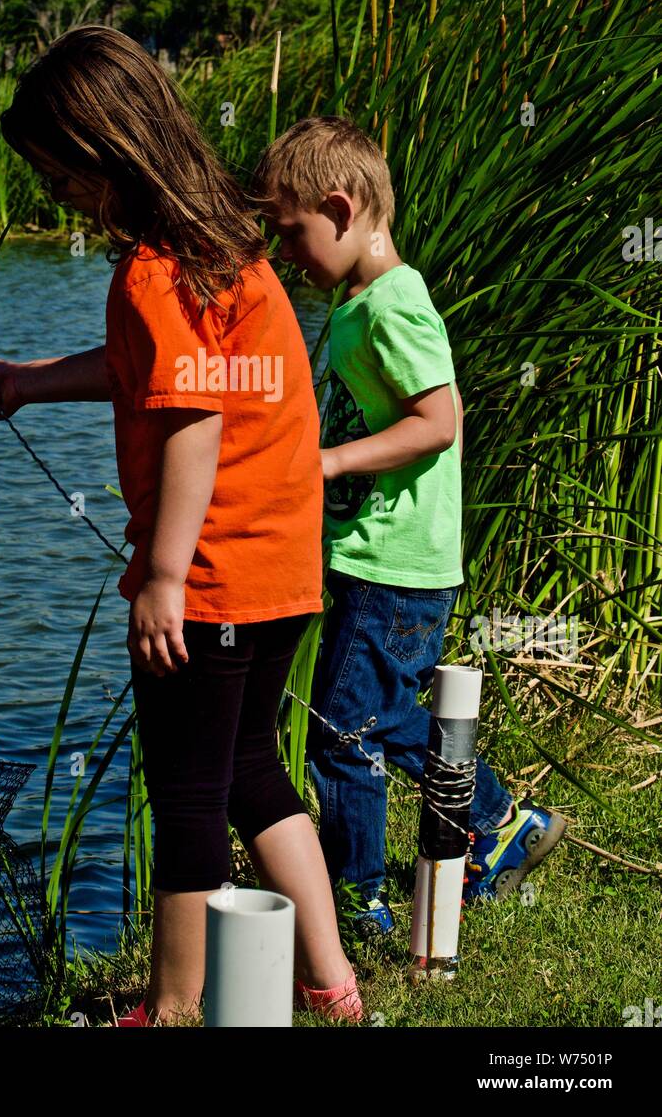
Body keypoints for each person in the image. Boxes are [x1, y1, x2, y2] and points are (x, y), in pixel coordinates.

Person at [0, 27, 362, 1024]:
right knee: (252, 773)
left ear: (104, 152)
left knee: (182, 794)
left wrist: (164, 578)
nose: (55, 191)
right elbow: (158, 374)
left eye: (58, 171)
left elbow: (188, 415)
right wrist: (34, 383)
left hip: (214, 575)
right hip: (281, 568)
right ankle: (332, 984)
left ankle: (172, 1008)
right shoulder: (228, 247)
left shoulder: (152, 268)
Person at [251, 115, 565, 938]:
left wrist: (329, 463)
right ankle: (498, 822)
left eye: (293, 232)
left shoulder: (393, 305)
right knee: (369, 721)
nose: (287, 253)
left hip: (395, 565)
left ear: (342, 206)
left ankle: (361, 901)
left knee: (340, 733)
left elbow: (438, 420)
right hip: (384, 559)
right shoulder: (363, 302)